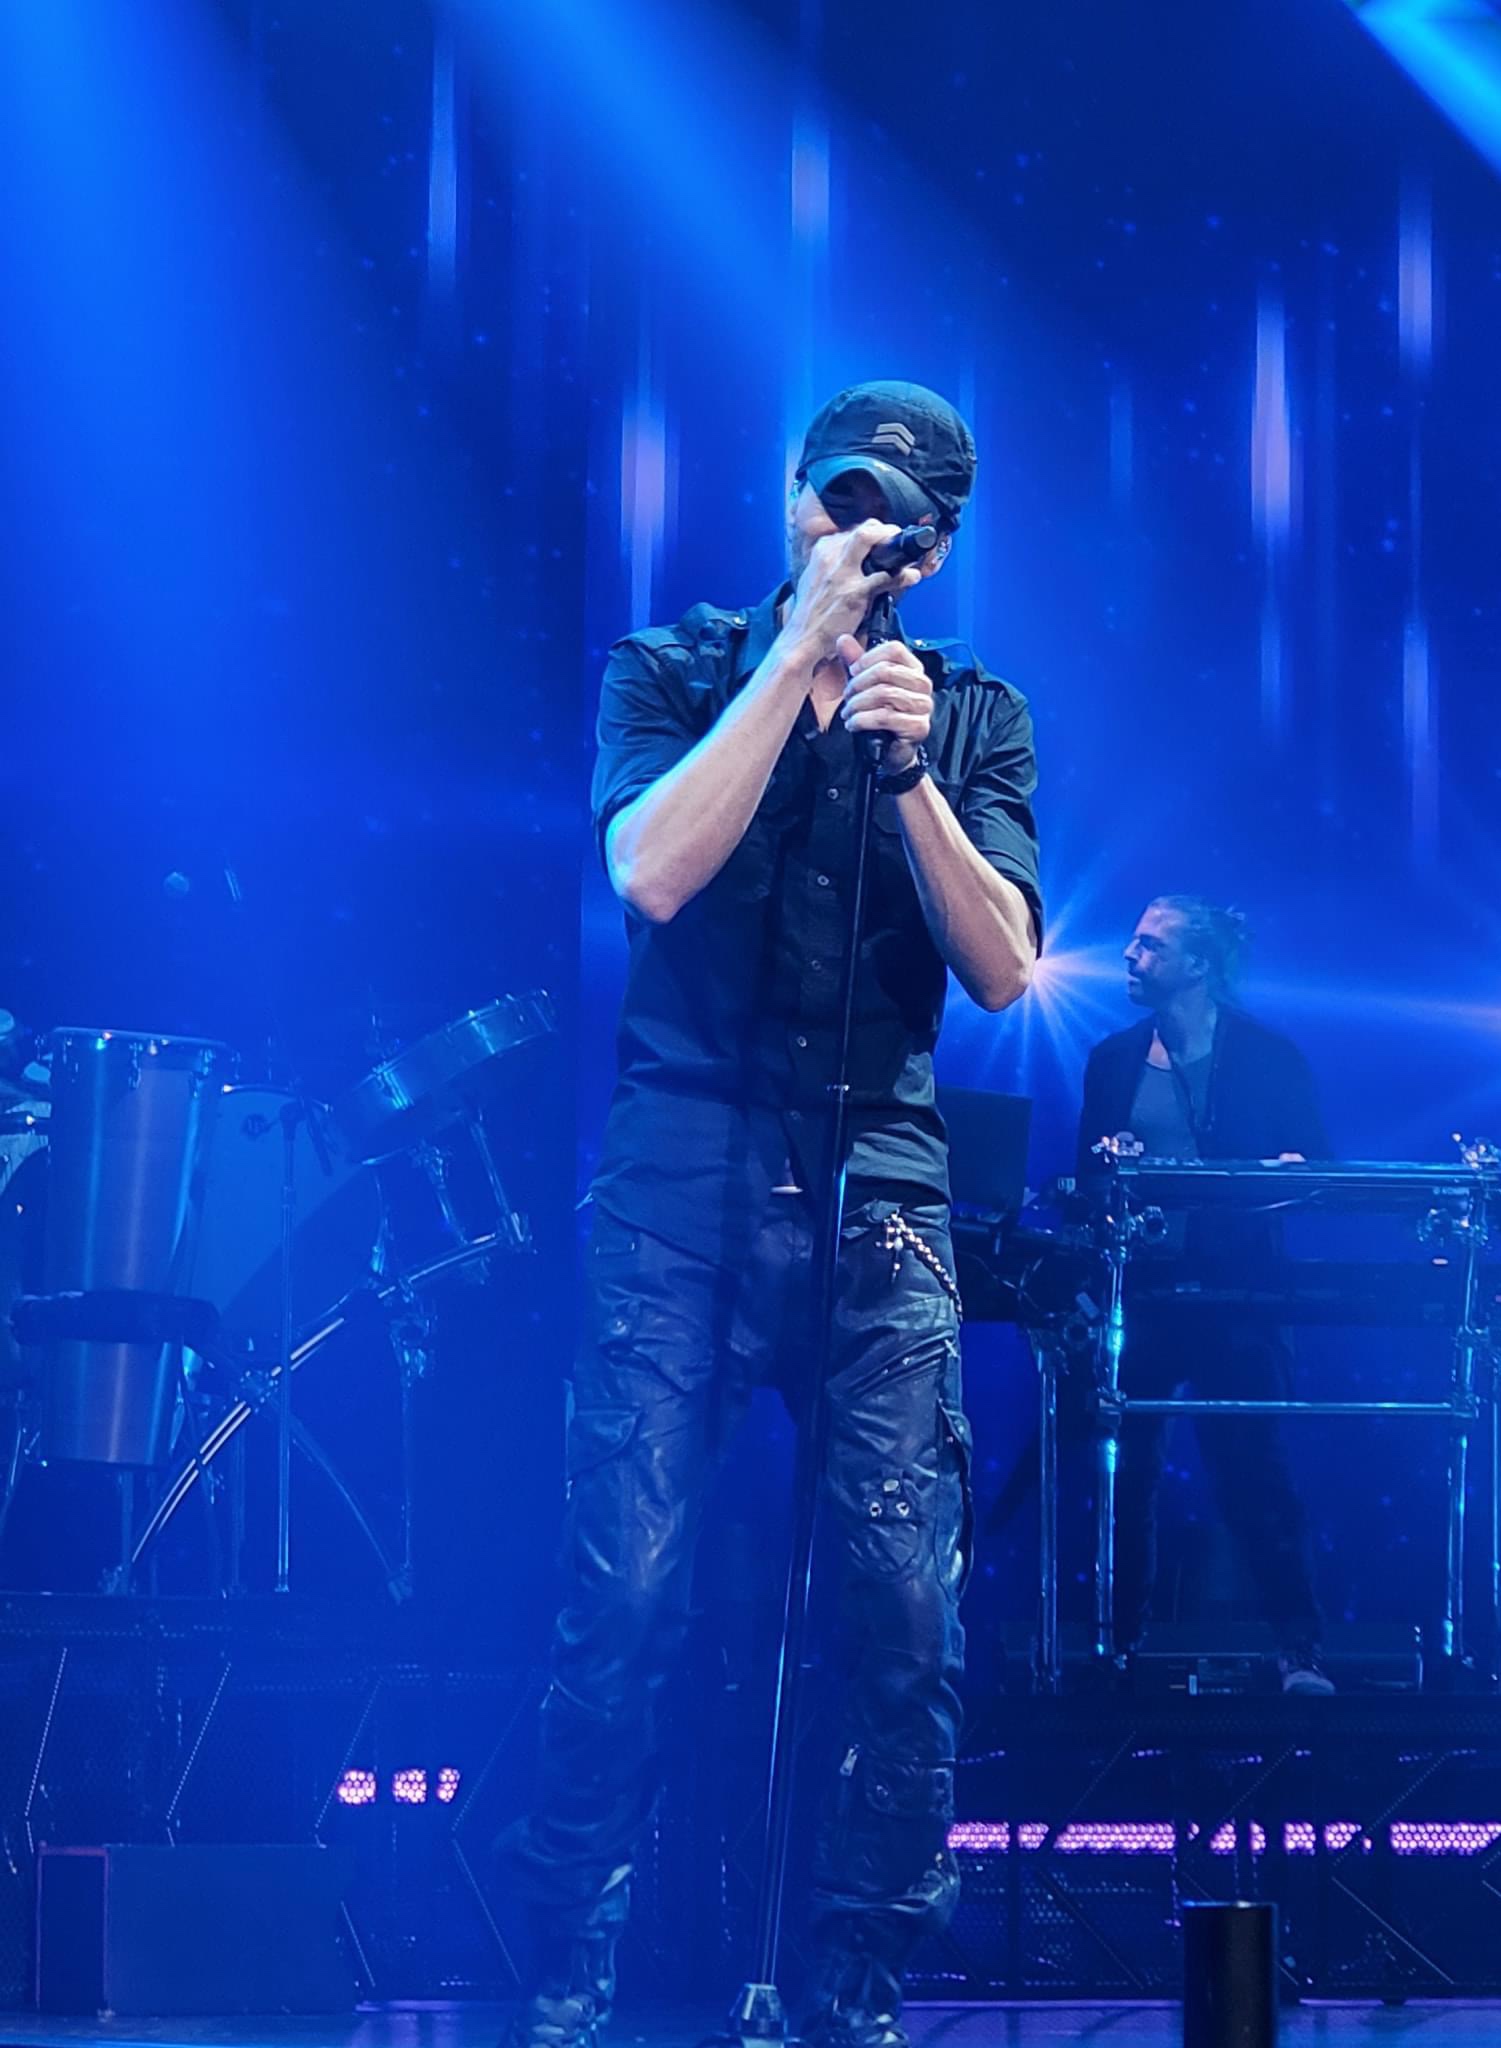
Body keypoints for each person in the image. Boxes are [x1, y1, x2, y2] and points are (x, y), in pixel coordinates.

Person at [501, 382, 1042, 2048]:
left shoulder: (973, 714)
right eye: (831, 496)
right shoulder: (671, 668)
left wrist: (905, 774)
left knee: (903, 1608)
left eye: (883, 516)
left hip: (883, 1203)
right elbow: (649, 871)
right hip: (680, 1191)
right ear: (794, 497)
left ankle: (855, 1988)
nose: (846, 529)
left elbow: (1006, 968)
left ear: (929, 551)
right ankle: (569, 1976)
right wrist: (791, 662)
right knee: (629, 1593)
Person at [1077, 896, 1334, 1694]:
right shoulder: (1112, 1059)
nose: (1130, 955)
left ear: (1198, 963)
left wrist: (1286, 1176)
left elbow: (1319, 1167)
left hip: (1236, 1299)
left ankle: (1299, 1649)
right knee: (1123, 1476)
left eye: (1150, 944)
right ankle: (1116, 1648)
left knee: (1254, 1471)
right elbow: (1084, 1183)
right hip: (1142, 1297)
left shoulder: (1268, 1056)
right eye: (1133, 942)